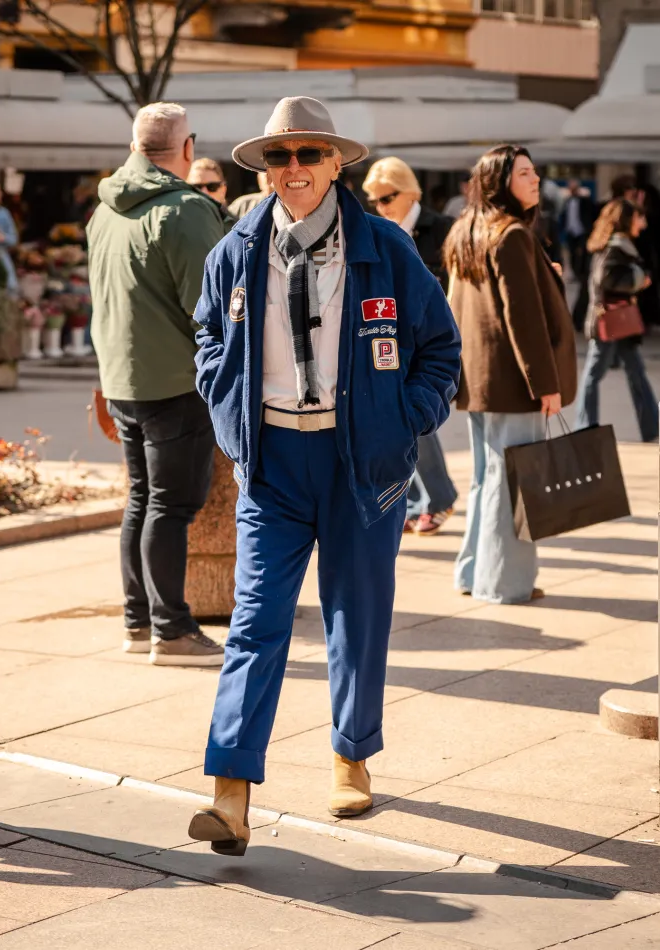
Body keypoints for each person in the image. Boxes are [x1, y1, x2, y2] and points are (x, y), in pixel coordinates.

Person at [187, 96, 460, 856]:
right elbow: (208, 334)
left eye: (310, 154)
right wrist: (225, 400)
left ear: (339, 163)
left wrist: (404, 416)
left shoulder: (384, 248)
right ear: (265, 167)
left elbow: (441, 347)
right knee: (255, 623)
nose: (295, 169)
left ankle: (351, 755)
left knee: (356, 616)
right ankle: (230, 791)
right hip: (271, 462)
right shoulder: (234, 251)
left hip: (360, 463)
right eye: (280, 156)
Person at [88, 102, 227, 665]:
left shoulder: (104, 211)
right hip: (174, 382)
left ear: (134, 146)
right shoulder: (184, 210)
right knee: (169, 506)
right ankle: (172, 630)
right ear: (187, 149)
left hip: (123, 380)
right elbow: (211, 308)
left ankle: (139, 623)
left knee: (143, 501)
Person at [445, 145, 577, 604]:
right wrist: (546, 386)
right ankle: (505, 582)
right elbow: (523, 319)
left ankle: (473, 572)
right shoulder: (512, 235)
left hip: (480, 382)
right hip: (516, 384)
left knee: (489, 479)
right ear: (501, 182)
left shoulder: (467, 231)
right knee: (512, 483)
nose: (536, 179)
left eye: (534, 171)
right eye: (524, 173)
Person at [363, 156, 457, 536]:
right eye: (375, 201)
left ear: (409, 192)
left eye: (387, 197)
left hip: (431, 340)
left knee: (420, 420)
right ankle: (422, 499)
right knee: (403, 422)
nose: (381, 206)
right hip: (390, 339)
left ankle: (438, 498)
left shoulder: (442, 228)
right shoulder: (377, 231)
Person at [574, 199, 658, 443]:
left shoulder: (620, 245)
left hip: (620, 322)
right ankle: (584, 427)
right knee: (593, 375)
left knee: (637, 374)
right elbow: (605, 279)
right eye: (638, 218)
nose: (642, 223)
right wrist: (639, 279)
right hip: (609, 322)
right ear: (627, 220)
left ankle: (651, 428)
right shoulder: (616, 246)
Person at [560, 179, 596, 331]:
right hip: (571, 235)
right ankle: (576, 271)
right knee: (574, 260)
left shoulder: (585, 201)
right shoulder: (567, 202)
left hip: (582, 234)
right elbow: (563, 217)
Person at [187, 157, 236, 232]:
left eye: (212, 187)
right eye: (197, 187)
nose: (204, 192)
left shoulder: (238, 226)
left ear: (223, 190)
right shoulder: (175, 223)